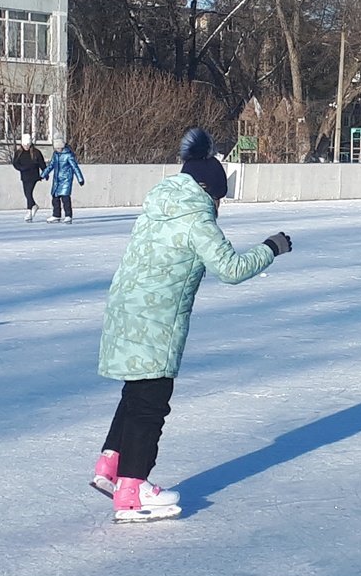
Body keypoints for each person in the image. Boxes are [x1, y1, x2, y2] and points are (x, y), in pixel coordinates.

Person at [89, 150, 293, 523]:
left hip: (124, 313)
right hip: (156, 321)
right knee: (151, 404)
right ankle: (132, 491)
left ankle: (110, 466)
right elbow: (230, 269)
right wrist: (270, 248)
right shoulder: (196, 220)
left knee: (136, 392)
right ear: (206, 190)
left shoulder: (155, 210)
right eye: (218, 197)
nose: (219, 205)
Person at [178, 125, 230, 205]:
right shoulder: (214, 163)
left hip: (190, 208)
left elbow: (182, 187)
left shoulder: (188, 165)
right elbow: (222, 190)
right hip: (208, 208)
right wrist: (210, 190)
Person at [10, 133, 47, 221]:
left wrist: (45, 173)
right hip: (24, 176)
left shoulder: (36, 153)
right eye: (24, 145)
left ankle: (29, 211)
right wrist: (21, 168)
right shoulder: (19, 153)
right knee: (27, 194)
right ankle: (33, 206)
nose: (26, 146)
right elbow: (15, 163)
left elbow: (42, 164)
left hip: (33, 176)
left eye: (28, 144)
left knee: (29, 193)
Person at [47, 142, 85, 223]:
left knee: (65, 198)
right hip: (56, 180)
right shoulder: (55, 155)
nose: (57, 150)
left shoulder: (68, 155)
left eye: (58, 148)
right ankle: (56, 215)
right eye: (56, 148)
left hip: (66, 180)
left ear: (62, 147)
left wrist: (80, 179)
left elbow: (75, 167)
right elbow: (51, 165)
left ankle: (68, 215)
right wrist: (43, 174)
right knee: (55, 198)